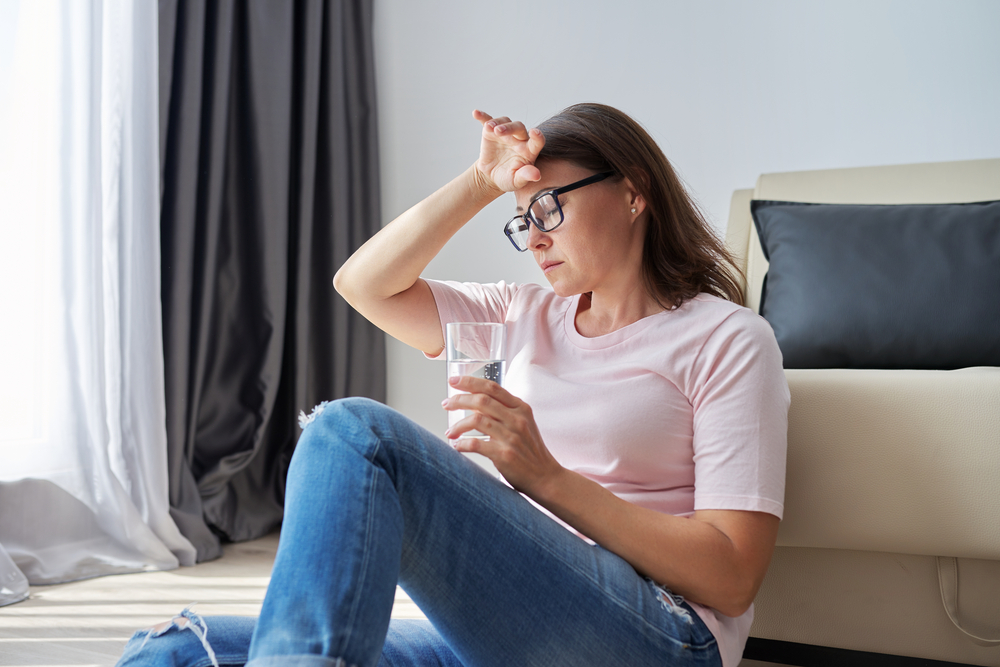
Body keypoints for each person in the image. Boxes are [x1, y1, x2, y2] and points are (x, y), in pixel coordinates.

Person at [116, 103, 789, 667]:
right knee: (172, 650)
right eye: (522, 219)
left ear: (634, 192)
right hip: (501, 629)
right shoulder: (517, 315)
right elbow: (363, 284)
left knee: (354, 432)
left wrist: (545, 477)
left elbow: (732, 576)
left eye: (549, 208)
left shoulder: (725, 338)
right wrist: (480, 180)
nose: (534, 238)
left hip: (656, 633)